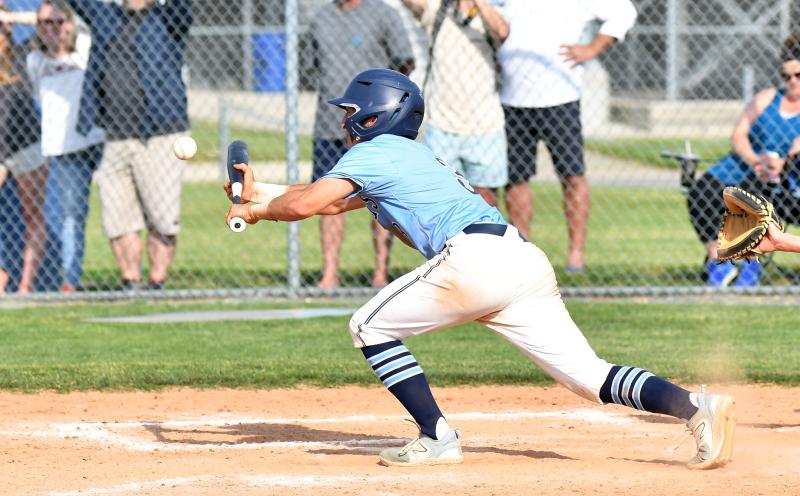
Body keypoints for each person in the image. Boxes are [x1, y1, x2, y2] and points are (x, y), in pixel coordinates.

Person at [224, 68, 736, 470]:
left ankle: (435, 436)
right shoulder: (402, 157)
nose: (345, 121)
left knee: (368, 325)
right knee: (589, 377)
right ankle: (697, 407)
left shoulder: (379, 152)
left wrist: (259, 208)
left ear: (377, 116)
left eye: (353, 111)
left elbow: (307, 205)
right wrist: (257, 196)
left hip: (476, 261)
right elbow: (325, 202)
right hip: (518, 260)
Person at [495, 0, 637, 273]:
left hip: (560, 99)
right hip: (512, 100)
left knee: (572, 176)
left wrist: (593, 49)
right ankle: (524, 254)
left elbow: (624, 12)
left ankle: (575, 256)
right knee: (516, 179)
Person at [66, 0, 192, 290]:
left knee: (162, 217)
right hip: (115, 135)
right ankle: (130, 281)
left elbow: (183, 6)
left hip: (160, 135)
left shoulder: (168, 18)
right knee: (118, 216)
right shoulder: (106, 16)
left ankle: (157, 282)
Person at [309, 0, 414, 288]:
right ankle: (330, 274)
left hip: (375, 127)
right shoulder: (320, 18)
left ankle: (381, 272)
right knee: (327, 195)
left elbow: (406, 60)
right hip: (330, 126)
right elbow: (310, 66)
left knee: (381, 196)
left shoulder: (384, 14)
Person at [686, 34, 800, 287]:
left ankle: (750, 264)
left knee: (757, 200)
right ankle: (721, 261)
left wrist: (784, 163)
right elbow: (739, 134)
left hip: (784, 177)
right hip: (744, 165)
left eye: (797, 75)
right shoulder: (768, 97)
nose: (791, 81)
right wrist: (754, 160)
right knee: (701, 192)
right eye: (786, 76)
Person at [27, 0, 105, 294]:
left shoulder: (84, 46)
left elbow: (88, 18)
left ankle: (75, 281)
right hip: (58, 147)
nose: (52, 29)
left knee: (86, 213)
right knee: (63, 216)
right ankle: (64, 280)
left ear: (70, 24)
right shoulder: (36, 60)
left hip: (90, 140)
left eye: (58, 22)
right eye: (45, 23)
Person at [400, 0, 508, 207]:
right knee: (441, 201)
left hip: (486, 125)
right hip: (442, 125)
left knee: (486, 202)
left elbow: (502, 31)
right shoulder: (438, 10)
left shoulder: (491, 12)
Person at [0, 5, 50, 294]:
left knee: (32, 214)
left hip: (25, 143)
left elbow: (48, 22)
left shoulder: (23, 53)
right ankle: (3, 274)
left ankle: (26, 285)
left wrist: (10, 17)